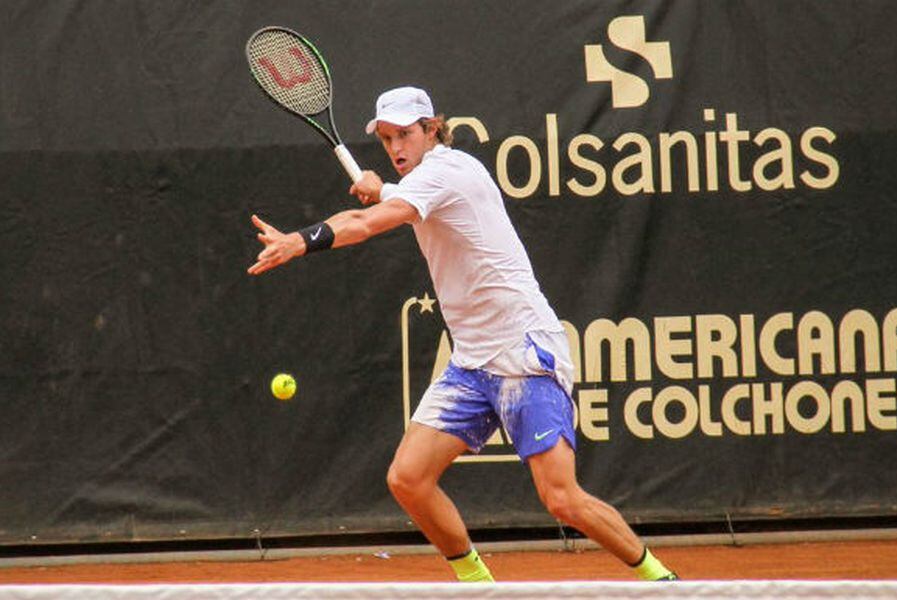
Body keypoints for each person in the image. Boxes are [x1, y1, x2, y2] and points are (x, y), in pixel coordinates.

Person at [247, 86, 678, 583]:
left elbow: (365, 223)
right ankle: (477, 584)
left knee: (561, 498)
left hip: (523, 352)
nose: (395, 147)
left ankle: (661, 581)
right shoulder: (424, 180)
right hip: (472, 362)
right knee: (408, 479)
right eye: (386, 138)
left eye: (405, 134)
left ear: (433, 129)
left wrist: (300, 241)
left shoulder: (451, 170)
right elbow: (366, 209)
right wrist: (383, 189)